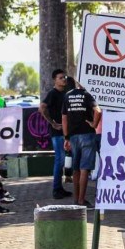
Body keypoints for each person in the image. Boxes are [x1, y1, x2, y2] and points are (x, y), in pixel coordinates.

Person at [62, 77, 101, 208]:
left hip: (73, 136)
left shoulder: (68, 96)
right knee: (85, 169)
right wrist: (94, 124)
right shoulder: (88, 95)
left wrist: (66, 137)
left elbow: (64, 118)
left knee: (76, 168)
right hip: (87, 135)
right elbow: (98, 110)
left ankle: (75, 198)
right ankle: (81, 200)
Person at [39, 69, 73, 200]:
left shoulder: (66, 93)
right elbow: (42, 107)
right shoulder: (53, 93)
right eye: (60, 78)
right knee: (59, 160)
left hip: (66, 131)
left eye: (64, 77)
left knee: (66, 159)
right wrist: (52, 122)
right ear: (55, 80)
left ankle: (60, 187)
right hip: (57, 132)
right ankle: (56, 189)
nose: (63, 79)